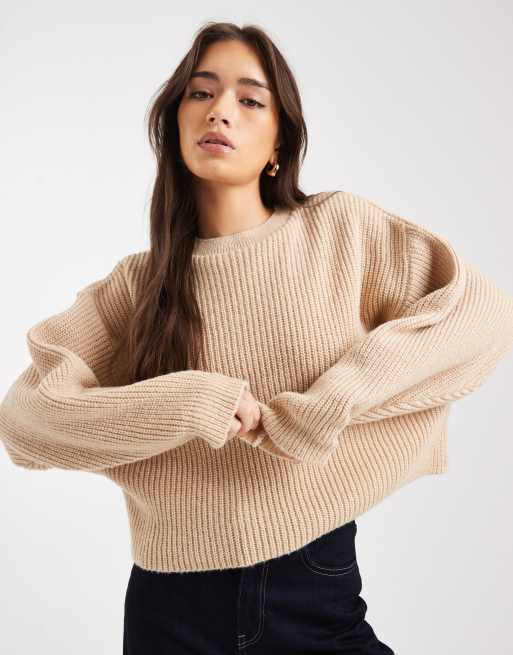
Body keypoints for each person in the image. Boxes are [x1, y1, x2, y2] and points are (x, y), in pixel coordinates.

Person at [2, 20, 513, 655]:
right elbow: (24, 420)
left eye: (249, 99)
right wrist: (188, 402)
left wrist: (332, 401)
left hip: (313, 590)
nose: (220, 110)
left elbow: (481, 315)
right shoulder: (138, 286)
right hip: (170, 611)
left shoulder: (338, 231)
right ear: (175, 124)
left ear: (280, 143)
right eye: (201, 92)